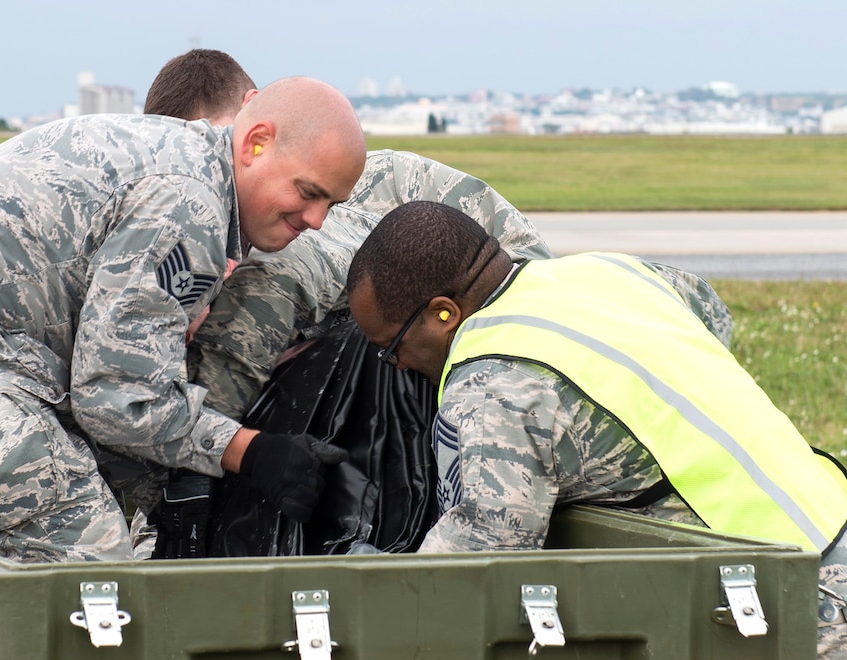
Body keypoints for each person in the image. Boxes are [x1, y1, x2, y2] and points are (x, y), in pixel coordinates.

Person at [133, 48, 735, 558]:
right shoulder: (201, 196)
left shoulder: (319, 204)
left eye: (209, 142)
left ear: (253, 118)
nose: (201, 169)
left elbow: (471, 560)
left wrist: (193, 476)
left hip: (473, 353)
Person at [345, 200, 847, 660]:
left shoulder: (495, 382)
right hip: (827, 529)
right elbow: (711, 315)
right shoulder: (610, 272)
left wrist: (368, 586)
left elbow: (474, 564)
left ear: (444, 313)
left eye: (391, 348)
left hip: (791, 615)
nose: (396, 365)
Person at [0, 75, 366, 563]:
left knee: (102, 498)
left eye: (332, 205)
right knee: (89, 554)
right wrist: (251, 452)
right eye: (308, 192)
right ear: (256, 143)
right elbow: (115, 398)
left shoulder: (190, 170)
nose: (316, 221)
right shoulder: (188, 205)